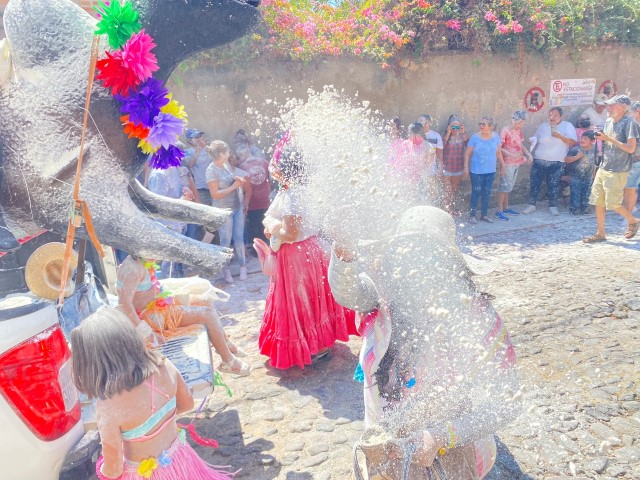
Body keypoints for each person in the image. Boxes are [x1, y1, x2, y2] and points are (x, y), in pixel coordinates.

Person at [328, 206, 520, 480]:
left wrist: (442, 437)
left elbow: (507, 402)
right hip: (387, 447)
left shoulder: (476, 318)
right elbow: (347, 293)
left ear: (449, 263)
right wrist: (344, 252)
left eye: (427, 256)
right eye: (407, 255)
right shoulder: (385, 300)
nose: (416, 268)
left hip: (451, 453)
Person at [70, 308, 237, 480]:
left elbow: (114, 470)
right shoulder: (164, 366)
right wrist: (158, 422)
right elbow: (187, 404)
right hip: (181, 461)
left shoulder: (108, 405)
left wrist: (101, 469)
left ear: (92, 363)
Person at [259, 150, 357, 370]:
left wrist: (273, 230)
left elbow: (291, 233)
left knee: (300, 302)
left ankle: (310, 348)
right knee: (314, 298)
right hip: (311, 249)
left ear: (283, 170)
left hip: (295, 254)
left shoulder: (293, 194)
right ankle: (320, 344)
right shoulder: (307, 190)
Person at [116, 255, 251, 376]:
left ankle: (224, 343)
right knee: (207, 315)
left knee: (205, 300)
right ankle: (228, 361)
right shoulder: (133, 269)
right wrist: (148, 332)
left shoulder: (141, 260)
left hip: (158, 304)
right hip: (150, 317)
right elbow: (124, 305)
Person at [584, 95, 640, 242]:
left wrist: (608, 138)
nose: (608, 107)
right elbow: (607, 145)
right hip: (604, 167)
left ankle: (633, 220)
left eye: (611, 105)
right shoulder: (608, 121)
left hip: (619, 169)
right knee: (598, 201)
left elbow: (630, 148)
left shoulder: (629, 123)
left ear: (622, 107)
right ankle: (600, 234)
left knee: (613, 204)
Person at [206, 141, 251, 283]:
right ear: (220, 154)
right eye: (227, 151)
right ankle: (226, 270)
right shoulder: (211, 170)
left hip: (236, 207)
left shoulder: (226, 165)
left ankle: (243, 266)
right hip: (223, 210)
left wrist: (236, 180)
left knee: (239, 238)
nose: (229, 153)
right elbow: (215, 194)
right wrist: (234, 186)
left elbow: (230, 181)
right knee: (225, 240)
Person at [147, 146, 196, 278]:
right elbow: (159, 205)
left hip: (179, 222)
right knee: (168, 265)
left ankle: (179, 287)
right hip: (167, 225)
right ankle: (168, 293)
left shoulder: (173, 168)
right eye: (177, 156)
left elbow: (179, 186)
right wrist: (182, 200)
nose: (180, 159)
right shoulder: (158, 176)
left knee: (178, 261)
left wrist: (185, 189)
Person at [523, 107, 577, 216]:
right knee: (535, 184)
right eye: (550, 115)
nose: (552, 117)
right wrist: (532, 140)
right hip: (539, 160)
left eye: (555, 115)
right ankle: (531, 205)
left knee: (553, 185)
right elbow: (536, 138)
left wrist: (560, 136)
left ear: (561, 117)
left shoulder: (567, 126)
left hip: (556, 162)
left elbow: (572, 143)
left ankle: (553, 206)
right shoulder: (543, 126)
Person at [464, 116, 504, 224]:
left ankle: (484, 215)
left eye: (484, 124)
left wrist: (503, 166)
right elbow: (467, 154)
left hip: (490, 171)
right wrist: (466, 167)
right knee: (476, 192)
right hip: (476, 171)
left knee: (487, 193)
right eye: (480, 124)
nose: (481, 126)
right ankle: (472, 215)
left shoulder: (496, 137)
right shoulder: (474, 138)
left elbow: (498, 152)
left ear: (490, 126)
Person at [495, 111, 533, 220]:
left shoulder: (518, 130)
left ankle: (506, 207)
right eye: (522, 122)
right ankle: (499, 209)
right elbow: (499, 147)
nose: (522, 125)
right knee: (504, 186)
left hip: (517, 162)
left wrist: (528, 154)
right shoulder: (505, 130)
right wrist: (510, 154)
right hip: (507, 162)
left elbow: (520, 144)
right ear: (517, 121)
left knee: (509, 186)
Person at [236, 144, 271, 251]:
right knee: (268, 226)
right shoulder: (264, 162)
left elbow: (242, 188)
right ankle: (271, 249)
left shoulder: (242, 167)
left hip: (252, 202)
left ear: (242, 154)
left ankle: (259, 251)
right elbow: (271, 179)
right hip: (266, 199)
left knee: (255, 228)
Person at [390, 122, 435, 200]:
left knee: (419, 199)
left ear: (421, 134)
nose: (413, 137)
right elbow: (398, 161)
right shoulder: (404, 144)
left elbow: (429, 162)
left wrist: (421, 171)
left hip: (421, 178)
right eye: (412, 134)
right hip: (406, 178)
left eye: (416, 135)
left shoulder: (428, 146)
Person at [183, 129, 210, 240]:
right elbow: (189, 165)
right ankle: (202, 244)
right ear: (190, 141)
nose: (200, 139)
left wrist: (207, 149)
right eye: (196, 137)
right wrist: (199, 149)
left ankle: (213, 245)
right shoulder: (187, 151)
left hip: (214, 188)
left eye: (200, 136)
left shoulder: (209, 149)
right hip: (200, 189)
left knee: (214, 220)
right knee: (202, 218)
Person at [564, 131, 597, 215]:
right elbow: (566, 160)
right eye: (581, 138)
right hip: (575, 176)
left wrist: (594, 176)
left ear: (592, 141)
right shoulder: (575, 149)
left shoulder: (594, 149)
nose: (582, 140)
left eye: (585, 139)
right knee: (575, 192)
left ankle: (584, 208)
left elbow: (594, 163)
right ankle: (573, 209)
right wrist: (577, 157)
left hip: (588, 176)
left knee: (587, 192)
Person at [441, 114, 468, 215]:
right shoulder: (444, 135)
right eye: (453, 126)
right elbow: (441, 147)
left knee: (454, 190)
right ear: (449, 126)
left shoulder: (462, 135)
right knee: (447, 191)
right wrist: (448, 132)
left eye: (457, 126)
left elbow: (468, 145)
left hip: (458, 167)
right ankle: (445, 211)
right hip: (447, 167)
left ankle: (451, 209)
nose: (455, 128)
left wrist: (463, 131)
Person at [418, 114, 444, 202]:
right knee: (419, 196)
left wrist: (439, 170)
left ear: (429, 123)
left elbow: (440, 155)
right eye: (421, 123)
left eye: (425, 123)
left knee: (433, 197)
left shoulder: (436, 136)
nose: (423, 125)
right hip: (418, 174)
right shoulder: (415, 136)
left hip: (432, 173)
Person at [622, 101, 640, 215]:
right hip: (627, 159)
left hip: (636, 160)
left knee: (631, 187)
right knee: (626, 187)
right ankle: (628, 210)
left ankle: (628, 215)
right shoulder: (630, 123)